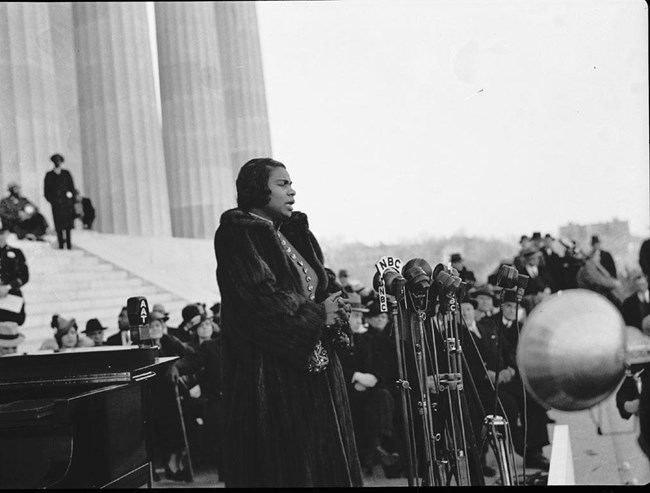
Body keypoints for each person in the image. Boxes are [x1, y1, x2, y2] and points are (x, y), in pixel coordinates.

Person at [213, 157, 362, 487]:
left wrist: (336, 306)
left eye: (291, 184)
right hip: (273, 381)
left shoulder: (293, 233)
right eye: (282, 184)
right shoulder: (237, 236)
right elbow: (260, 301)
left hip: (318, 376)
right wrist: (318, 315)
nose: (292, 191)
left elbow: (323, 282)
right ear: (257, 190)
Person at [147, 307, 194, 482]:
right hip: (152, 395)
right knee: (156, 431)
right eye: (151, 326)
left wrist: (177, 366)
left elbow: (190, 357)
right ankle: (158, 468)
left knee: (177, 429)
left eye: (158, 325)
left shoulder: (171, 341)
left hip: (172, 393)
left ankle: (174, 464)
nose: (155, 329)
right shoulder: (143, 347)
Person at [44, 153, 77, 249]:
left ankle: (69, 244)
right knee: (58, 224)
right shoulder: (49, 175)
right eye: (55, 161)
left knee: (68, 225)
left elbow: (71, 187)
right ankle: (61, 244)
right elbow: (46, 190)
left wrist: (71, 200)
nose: (57, 162)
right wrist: (52, 200)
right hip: (56, 204)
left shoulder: (66, 174)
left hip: (66, 204)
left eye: (59, 160)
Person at [0, 225, 29, 326]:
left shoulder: (16, 253)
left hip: (10, 299)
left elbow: (24, 276)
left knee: (10, 334)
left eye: (1, 233)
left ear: (7, 233)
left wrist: (8, 287)